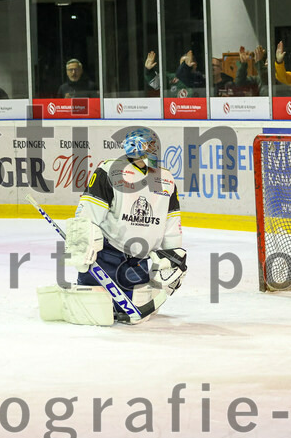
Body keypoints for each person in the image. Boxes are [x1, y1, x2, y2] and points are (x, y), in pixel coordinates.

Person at [38, 128, 187, 326]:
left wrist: (173, 255)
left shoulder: (166, 179)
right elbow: (88, 214)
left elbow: (171, 221)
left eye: (153, 145)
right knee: (92, 312)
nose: (153, 150)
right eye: (148, 145)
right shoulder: (110, 171)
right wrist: (82, 248)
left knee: (134, 313)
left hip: (138, 262)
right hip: (106, 256)